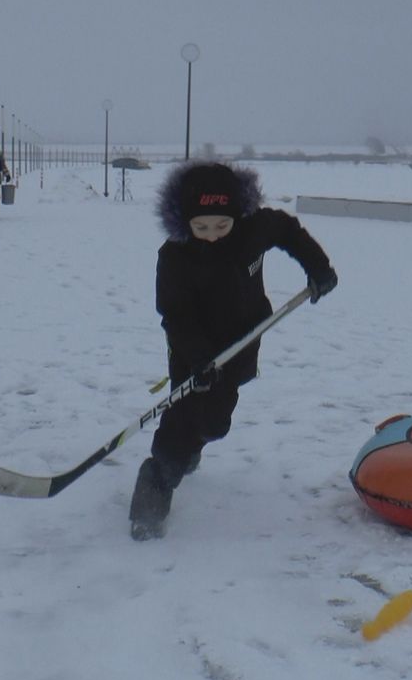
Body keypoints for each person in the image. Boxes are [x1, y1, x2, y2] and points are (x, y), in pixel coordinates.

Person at [129, 161, 339, 540]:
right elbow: (174, 315)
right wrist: (197, 357)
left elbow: (289, 231)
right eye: (201, 227)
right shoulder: (175, 256)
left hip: (244, 337)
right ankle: (155, 486)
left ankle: (193, 447)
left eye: (222, 226)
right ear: (185, 221)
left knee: (215, 424)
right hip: (192, 348)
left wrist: (318, 268)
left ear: (236, 217)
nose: (212, 235)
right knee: (184, 415)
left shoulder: (255, 229)